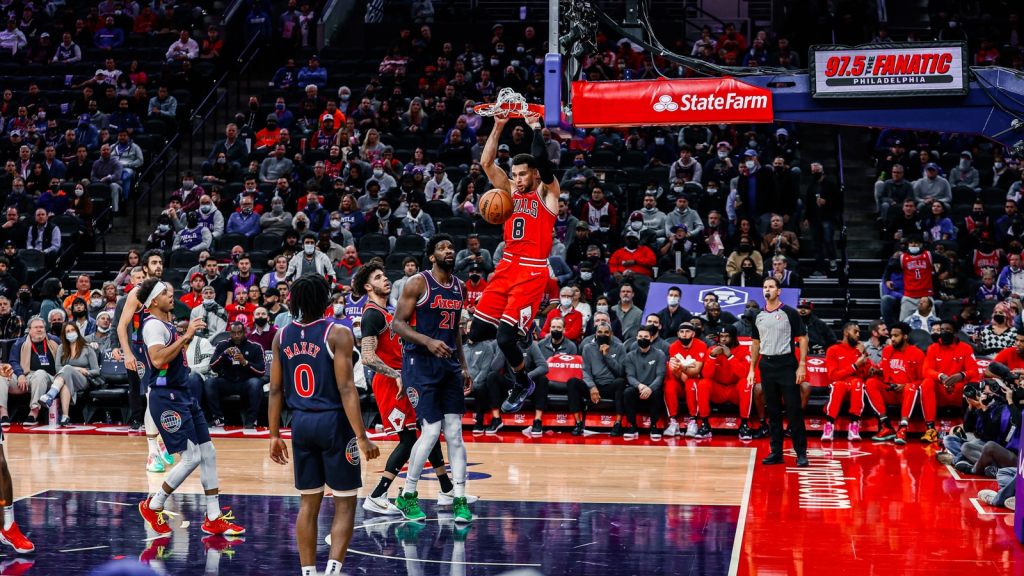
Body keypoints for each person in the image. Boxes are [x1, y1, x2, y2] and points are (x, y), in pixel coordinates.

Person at [268, 274, 379, 576]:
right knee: (345, 502)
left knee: (308, 503)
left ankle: (308, 572)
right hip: (333, 423)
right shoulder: (338, 333)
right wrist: (362, 436)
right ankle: (332, 571)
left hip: (301, 423)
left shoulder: (281, 336)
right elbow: (347, 388)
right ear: (326, 300)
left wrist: (274, 434)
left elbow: (275, 390)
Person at [136, 279, 246, 538]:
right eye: (165, 293)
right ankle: (154, 504)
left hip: (182, 393)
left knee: (208, 453)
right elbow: (157, 359)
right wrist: (186, 337)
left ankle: (213, 517)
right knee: (191, 457)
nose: (170, 296)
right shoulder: (152, 325)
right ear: (154, 301)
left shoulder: (165, 323)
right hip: (167, 398)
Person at [352, 262, 462, 516]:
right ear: (368, 286)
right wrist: (395, 374)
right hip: (390, 382)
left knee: (428, 431)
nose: (385, 279)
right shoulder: (372, 315)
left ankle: (446, 488)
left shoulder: (389, 312)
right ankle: (377, 495)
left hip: (404, 377)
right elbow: (367, 357)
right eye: (378, 277)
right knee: (410, 438)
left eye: (384, 275)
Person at [471, 113, 560, 414]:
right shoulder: (509, 191)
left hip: (532, 270)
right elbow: (486, 163)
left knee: (504, 338)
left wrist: (535, 127)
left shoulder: (547, 193)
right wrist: (498, 125)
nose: (518, 179)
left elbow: (543, 161)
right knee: (476, 332)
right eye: (515, 174)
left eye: (523, 174)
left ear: (534, 174)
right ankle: (521, 330)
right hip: (507, 265)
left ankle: (522, 381)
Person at [391, 234, 473, 523]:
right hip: (420, 363)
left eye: (451, 247)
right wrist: (427, 341)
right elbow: (397, 324)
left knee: (455, 432)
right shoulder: (418, 283)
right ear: (431, 256)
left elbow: (455, 332)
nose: (448, 250)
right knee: (430, 431)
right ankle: (407, 494)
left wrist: (463, 365)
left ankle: (459, 497)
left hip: (448, 364)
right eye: (442, 247)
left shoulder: (460, 288)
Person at [114, 249, 174, 471]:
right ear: (145, 267)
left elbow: (169, 320)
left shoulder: (165, 289)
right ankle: (152, 453)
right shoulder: (137, 292)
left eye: (160, 262)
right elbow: (121, 326)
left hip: (161, 348)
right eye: (154, 262)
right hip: (142, 351)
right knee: (152, 396)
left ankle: (162, 439)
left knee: (166, 396)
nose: (158, 266)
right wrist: (127, 353)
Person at [748, 277, 809, 467]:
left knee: (793, 410)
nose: (767, 289)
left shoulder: (789, 312)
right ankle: (776, 452)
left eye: (771, 287)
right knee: (772, 411)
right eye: (765, 287)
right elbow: (755, 343)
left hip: (787, 364)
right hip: (766, 365)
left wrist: (802, 364)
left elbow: (803, 338)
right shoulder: (758, 315)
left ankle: (801, 453)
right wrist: (751, 369)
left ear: (779, 291)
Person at [919, 320, 979, 443]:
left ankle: (968, 428)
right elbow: (926, 371)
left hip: (958, 390)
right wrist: (940, 376)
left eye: (948, 330)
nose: (944, 332)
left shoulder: (966, 348)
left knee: (973, 382)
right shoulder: (933, 348)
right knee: (926, 383)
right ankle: (930, 430)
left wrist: (961, 375)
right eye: (942, 330)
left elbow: (974, 371)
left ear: (955, 332)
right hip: (940, 390)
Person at [864, 322, 924, 445]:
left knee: (911, 388)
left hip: (908, 393)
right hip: (891, 390)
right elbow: (884, 371)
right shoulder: (887, 351)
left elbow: (923, 380)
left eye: (896, 336)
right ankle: (886, 426)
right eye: (891, 335)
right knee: (871, 383)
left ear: (905, 337)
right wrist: (876, 370)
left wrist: (905, 385)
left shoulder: (917, 353)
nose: (892, 339)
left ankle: (903, 428)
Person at [38, 322, 100, 426]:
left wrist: (83, 371)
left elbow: (96, 370)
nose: (71, 333)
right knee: (65, 384)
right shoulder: (61, 348)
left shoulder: (87, 348)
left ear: (77, 332)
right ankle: (65, 416)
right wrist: (77, 368)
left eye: (72, 330)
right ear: (64, 334)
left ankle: (50, 395)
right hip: (65, 378)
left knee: (66, 368)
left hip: (83, 380)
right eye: (68, 331)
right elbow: (58, 368)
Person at [206, 322, 266, 429]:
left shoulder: (255, 347)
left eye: (239, 332)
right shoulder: (222, 345)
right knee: (210, 383)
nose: (237, 335)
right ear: (230, 333)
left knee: (255, 383)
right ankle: (219, 418)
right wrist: (224, 355)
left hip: (246, 383)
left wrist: (245, 362)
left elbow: (262, 371)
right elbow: (213, 367)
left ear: (245, 332)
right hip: (227, 382)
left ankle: (251, 419)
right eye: (234, 333)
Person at [822, 323, 870, 442]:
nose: (858, 335)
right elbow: (833, 376)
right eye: (855, 332)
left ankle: (854, 426)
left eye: (859, 332)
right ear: (846, 333)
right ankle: (829, 425)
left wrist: (863, 354)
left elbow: (866, 374)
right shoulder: (833, 350)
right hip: (839, 384)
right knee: (838, 385)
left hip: (855, 385)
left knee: (858, 383)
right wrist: (854, 366)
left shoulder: (859, 351)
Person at [623, 326, 666, 440]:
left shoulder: (660, 354)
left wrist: (650, 388)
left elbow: (660, 376)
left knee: (657, 394)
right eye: (640, 336)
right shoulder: (630, 356)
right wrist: (639, 386)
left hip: (653, 387)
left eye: (646, 337)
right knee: (628, 392)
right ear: (636, 338)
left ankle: (654, 426)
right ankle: (632, 425)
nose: (643, 339)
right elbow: (630, 376)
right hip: (638, 387)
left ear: (651, 338)